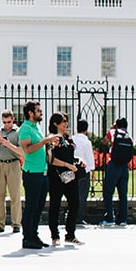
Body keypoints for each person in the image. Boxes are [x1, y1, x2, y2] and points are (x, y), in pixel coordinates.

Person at [18, 101, 60, 249]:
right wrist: (45, 141)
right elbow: (27, 149)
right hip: (32, 174)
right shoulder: (25, 129)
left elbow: (40, 146)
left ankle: (34, 236)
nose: (41, 113)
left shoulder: (37, 127)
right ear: (30, 113)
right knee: (31, 207)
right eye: (38, 111)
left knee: (39, 206)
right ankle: (27, 238)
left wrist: (49, 144)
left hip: (42, 173)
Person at [46, 112, 85, 246]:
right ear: (56, 124)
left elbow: (69, 154)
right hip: (57, 176)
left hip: (70, 176)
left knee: (75, 203)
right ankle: (54, 235)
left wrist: (78, 160)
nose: (66, 124)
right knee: (55, 205)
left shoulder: (67, 137)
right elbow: (51, 159)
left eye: (66, 121)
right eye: (63, 121)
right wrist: (67, 165)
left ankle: (70, 234)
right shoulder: (53, 139)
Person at [0, 110, 23, 233]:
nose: (6, 125)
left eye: (9, 122)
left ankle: (16, 223)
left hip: (13, 164)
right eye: (4, 122)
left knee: (15, 195)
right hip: (0, 164)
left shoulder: (18, 132)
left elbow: (21, 151)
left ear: (13, 119)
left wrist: (7, 144)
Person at [99, 117, 133, 227]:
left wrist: (112, 128)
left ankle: (110, 217)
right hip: (124, 166)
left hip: (114, 165)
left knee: (108, 192)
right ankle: (122, 219)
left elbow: (104, 141)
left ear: (117, 125)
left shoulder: (113, 132)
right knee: (123, 194)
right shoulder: (129, 135)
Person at [71, 119, 95, 226]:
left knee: (73, 194)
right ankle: (79, 217)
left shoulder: (72, 139)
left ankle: (71, 215)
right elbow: (90, 159)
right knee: (82, 195)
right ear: (86, 129)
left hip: (72, 168)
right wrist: (92, 172)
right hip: (83, 170)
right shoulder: (86, 142)